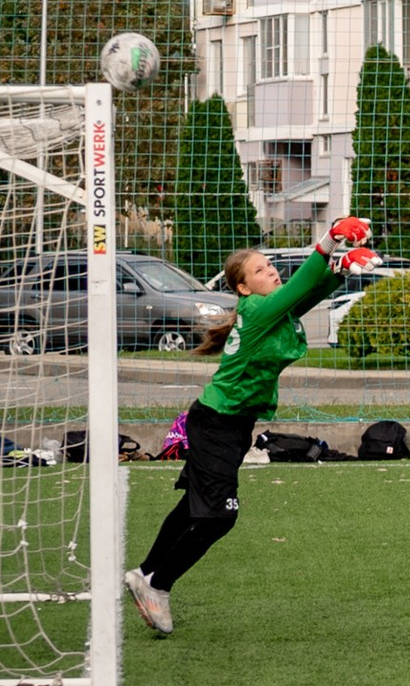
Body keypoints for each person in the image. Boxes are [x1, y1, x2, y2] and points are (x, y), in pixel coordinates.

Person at [124, 220, 370, 635]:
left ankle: (146, 571)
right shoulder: (257, 310)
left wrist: (339, 271)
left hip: (228, 425)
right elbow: (299, 288)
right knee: (219, 517)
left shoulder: (273, 311)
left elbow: (306, 295)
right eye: (259, 270)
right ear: (243, 288)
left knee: (193, 508)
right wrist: (329, 243)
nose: (271, 271)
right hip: (216, 424)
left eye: (270, 265)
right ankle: (158, 586)